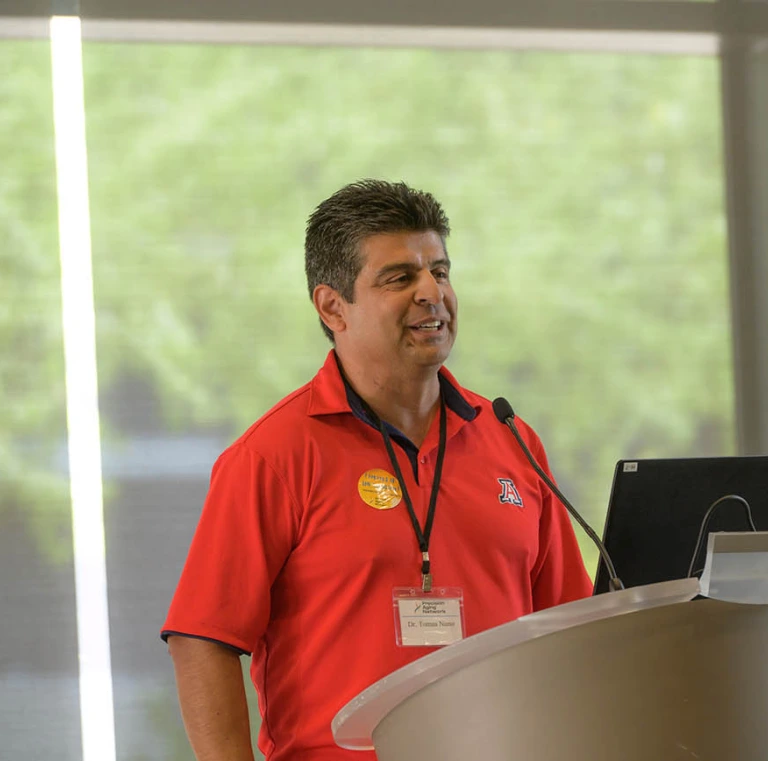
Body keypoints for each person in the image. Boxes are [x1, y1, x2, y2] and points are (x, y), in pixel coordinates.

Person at [161, 179, 593, 761]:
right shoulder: (273, 456)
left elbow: (570, 630)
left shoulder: (512, 439)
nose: (431, 293)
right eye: (399, 278)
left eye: (439, 271)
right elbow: (203, 640)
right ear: (332, 306)